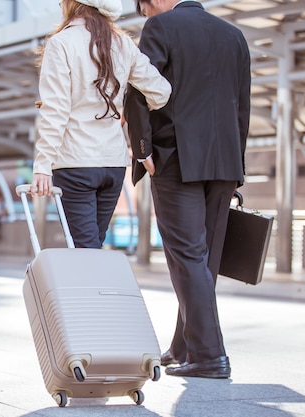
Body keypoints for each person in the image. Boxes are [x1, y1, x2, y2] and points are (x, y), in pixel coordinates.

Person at [124, 0, 251, 379]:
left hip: (175, 156)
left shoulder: (161, 27)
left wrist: (142, 149)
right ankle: (184, 347)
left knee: (187, 258)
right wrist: (237, 164)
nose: (146, 15)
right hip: (224, 161)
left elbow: (137, 88)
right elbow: (241, 105)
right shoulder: (235, 35)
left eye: (144, 7)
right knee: (203, 260)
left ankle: (210, 357)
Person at [29, 0, 171, 249]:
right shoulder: (122, 43)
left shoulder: (62, 43)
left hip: (75, 163)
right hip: (113, 164)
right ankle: (96, 288)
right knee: (93, 246)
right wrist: (126, 105)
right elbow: (160, 92)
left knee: (84, 250)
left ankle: (89, 288)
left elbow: (56, 110)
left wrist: (42, 165)